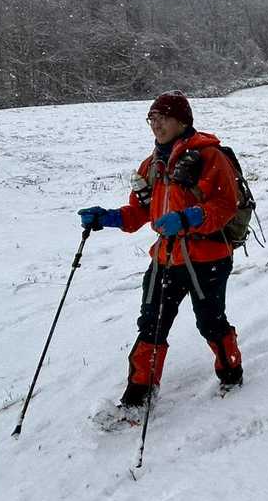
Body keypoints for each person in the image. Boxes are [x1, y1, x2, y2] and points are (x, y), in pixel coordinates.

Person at [77, 91, 243, 407]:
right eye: (152, 118)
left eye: (163, 118)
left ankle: (231, 372)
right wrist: (108, 217)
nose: (156, 124)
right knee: (151, 324)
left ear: (182, 121)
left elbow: (226, 205)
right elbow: (140, 212)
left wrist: (190, 218)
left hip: (207, 257)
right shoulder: (151, 165)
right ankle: (138, 396)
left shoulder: (210, 156)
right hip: (166, 258)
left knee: (210, 322)